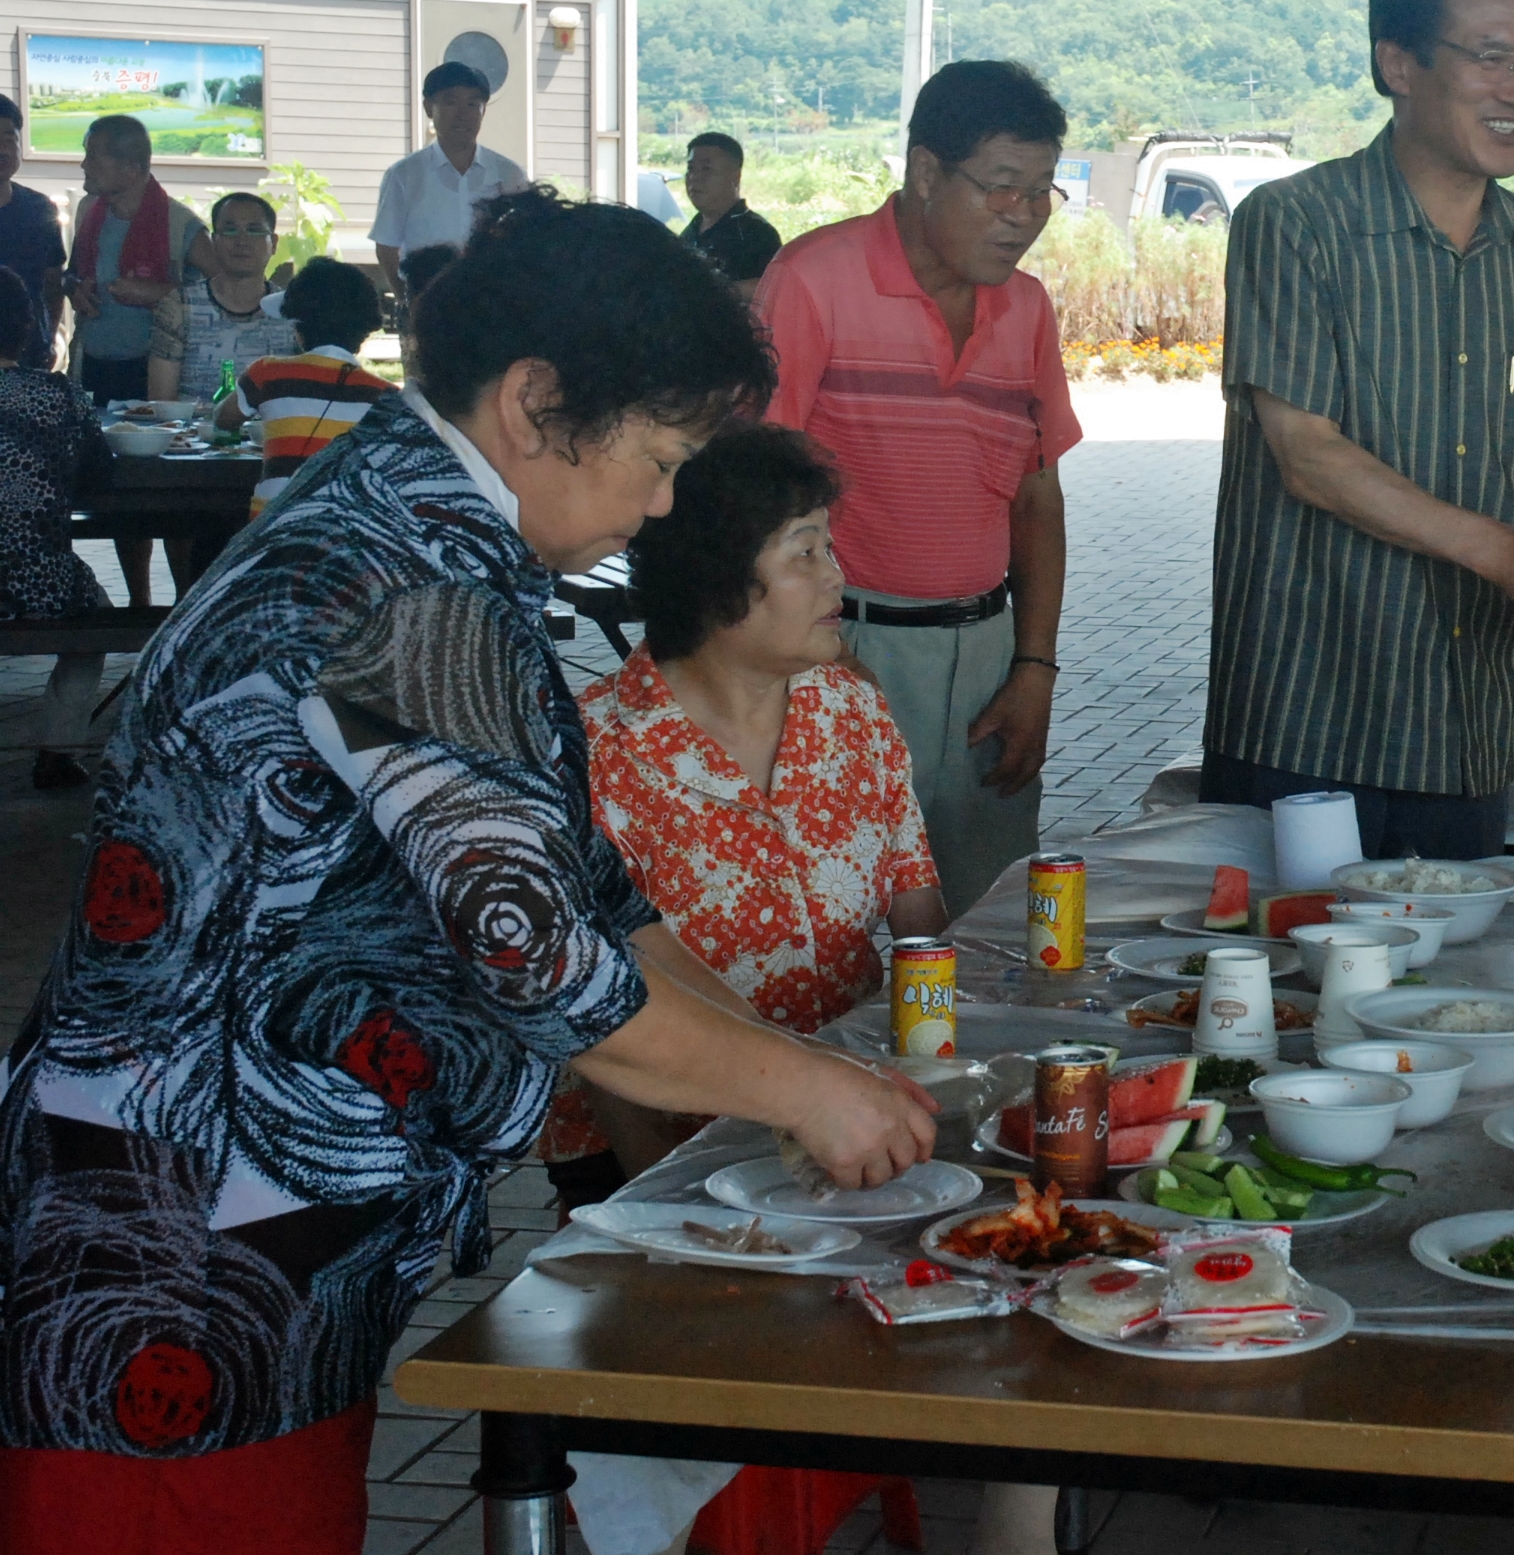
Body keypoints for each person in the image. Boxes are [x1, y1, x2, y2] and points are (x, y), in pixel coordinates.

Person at [0, 189, 937, 1555]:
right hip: (179, 1249)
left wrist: (815, 1082)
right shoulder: (407, 583)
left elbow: (598, 901)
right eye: (661, 453)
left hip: (248, 1218)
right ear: (537, 400)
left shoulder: (426, 536)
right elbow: (540, 958)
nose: (669, 500)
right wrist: (810, 1094)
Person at [1206, 0, 1514, 859]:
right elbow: (1310, 458)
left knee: (1458, 989)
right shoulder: (1295, 225)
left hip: (1465, 726)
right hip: (1307, 715)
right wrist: (1510, 558)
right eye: (1491, 57)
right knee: (1297, 990)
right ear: (1398, 64)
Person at [539, 421, 947, 1200]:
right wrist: (663, 1205)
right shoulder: (594, 754)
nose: (838, 578)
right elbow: (603, 1025)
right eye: (805, 552)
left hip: (859, 1130)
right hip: (672, 1155)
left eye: (829, 547)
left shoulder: (850, 710)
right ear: (716, 576)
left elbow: (919, 915)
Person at [757, 61, 1075, 908]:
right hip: (847, 651)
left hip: (988, 663)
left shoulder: (1028, 310)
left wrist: (1033, 667)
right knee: (834, 918)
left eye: (1043, 191)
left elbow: (1035, 496)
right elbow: (756, 494)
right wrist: (823, 664)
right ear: (926, 172)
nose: (1025, 217)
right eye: (1003, 188)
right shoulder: (813, 280)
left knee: (985, 920)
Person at [69, 115, 208, 609]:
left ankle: (187, 605)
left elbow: (214, 296)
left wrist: (155, 292)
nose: (84, 163)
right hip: (97, 368)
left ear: (131, 166)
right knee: (122, 495)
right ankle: (140, 604)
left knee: (171, 498)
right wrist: (77, 290)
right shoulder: (89, 210)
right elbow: (72, 275)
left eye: (93, 155)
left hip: (156, 375)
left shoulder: (181, 224)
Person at [0, 270, 111, 789]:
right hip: (39, 578)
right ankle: (59, 749)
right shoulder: (59, 396)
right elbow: (98, 474)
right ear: (25, 330)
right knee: (99, 618)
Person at [220, 257, 395, 515]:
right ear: (364, 333)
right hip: (344, 532)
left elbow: (223, 420)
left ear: (298, 330)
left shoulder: (266, 374)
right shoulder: (387, 398)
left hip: (269, 529)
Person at [368, 60, 526, 299]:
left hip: (494, 305)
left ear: (484, 110)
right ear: (429, 107)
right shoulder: (404, 175)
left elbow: (525, 243)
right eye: (451, 102)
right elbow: (387, 247)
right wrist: (407, 302)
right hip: (427, 301)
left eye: (473, 104)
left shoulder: (509, 174)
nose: (462, 114)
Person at [148, 192, 299, 402]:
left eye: (254, 230)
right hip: (190, 433)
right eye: (230, 230)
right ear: (214, 241)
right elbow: (161, 402)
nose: (241, 240)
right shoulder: (180, 306)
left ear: (273, 243)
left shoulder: (293, 310)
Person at [0, 96, 68, 372]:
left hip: (30, 358)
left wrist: (49, 337)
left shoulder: (40, 209)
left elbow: (53, 285)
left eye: (9, 138)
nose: (2, 150)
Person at [676, 130, 783, 301]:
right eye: (690, 168)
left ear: (736, 176)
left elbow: (772, 289)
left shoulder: (756, 234)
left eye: (706, 168)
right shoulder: (689, 234)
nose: (694, 177)